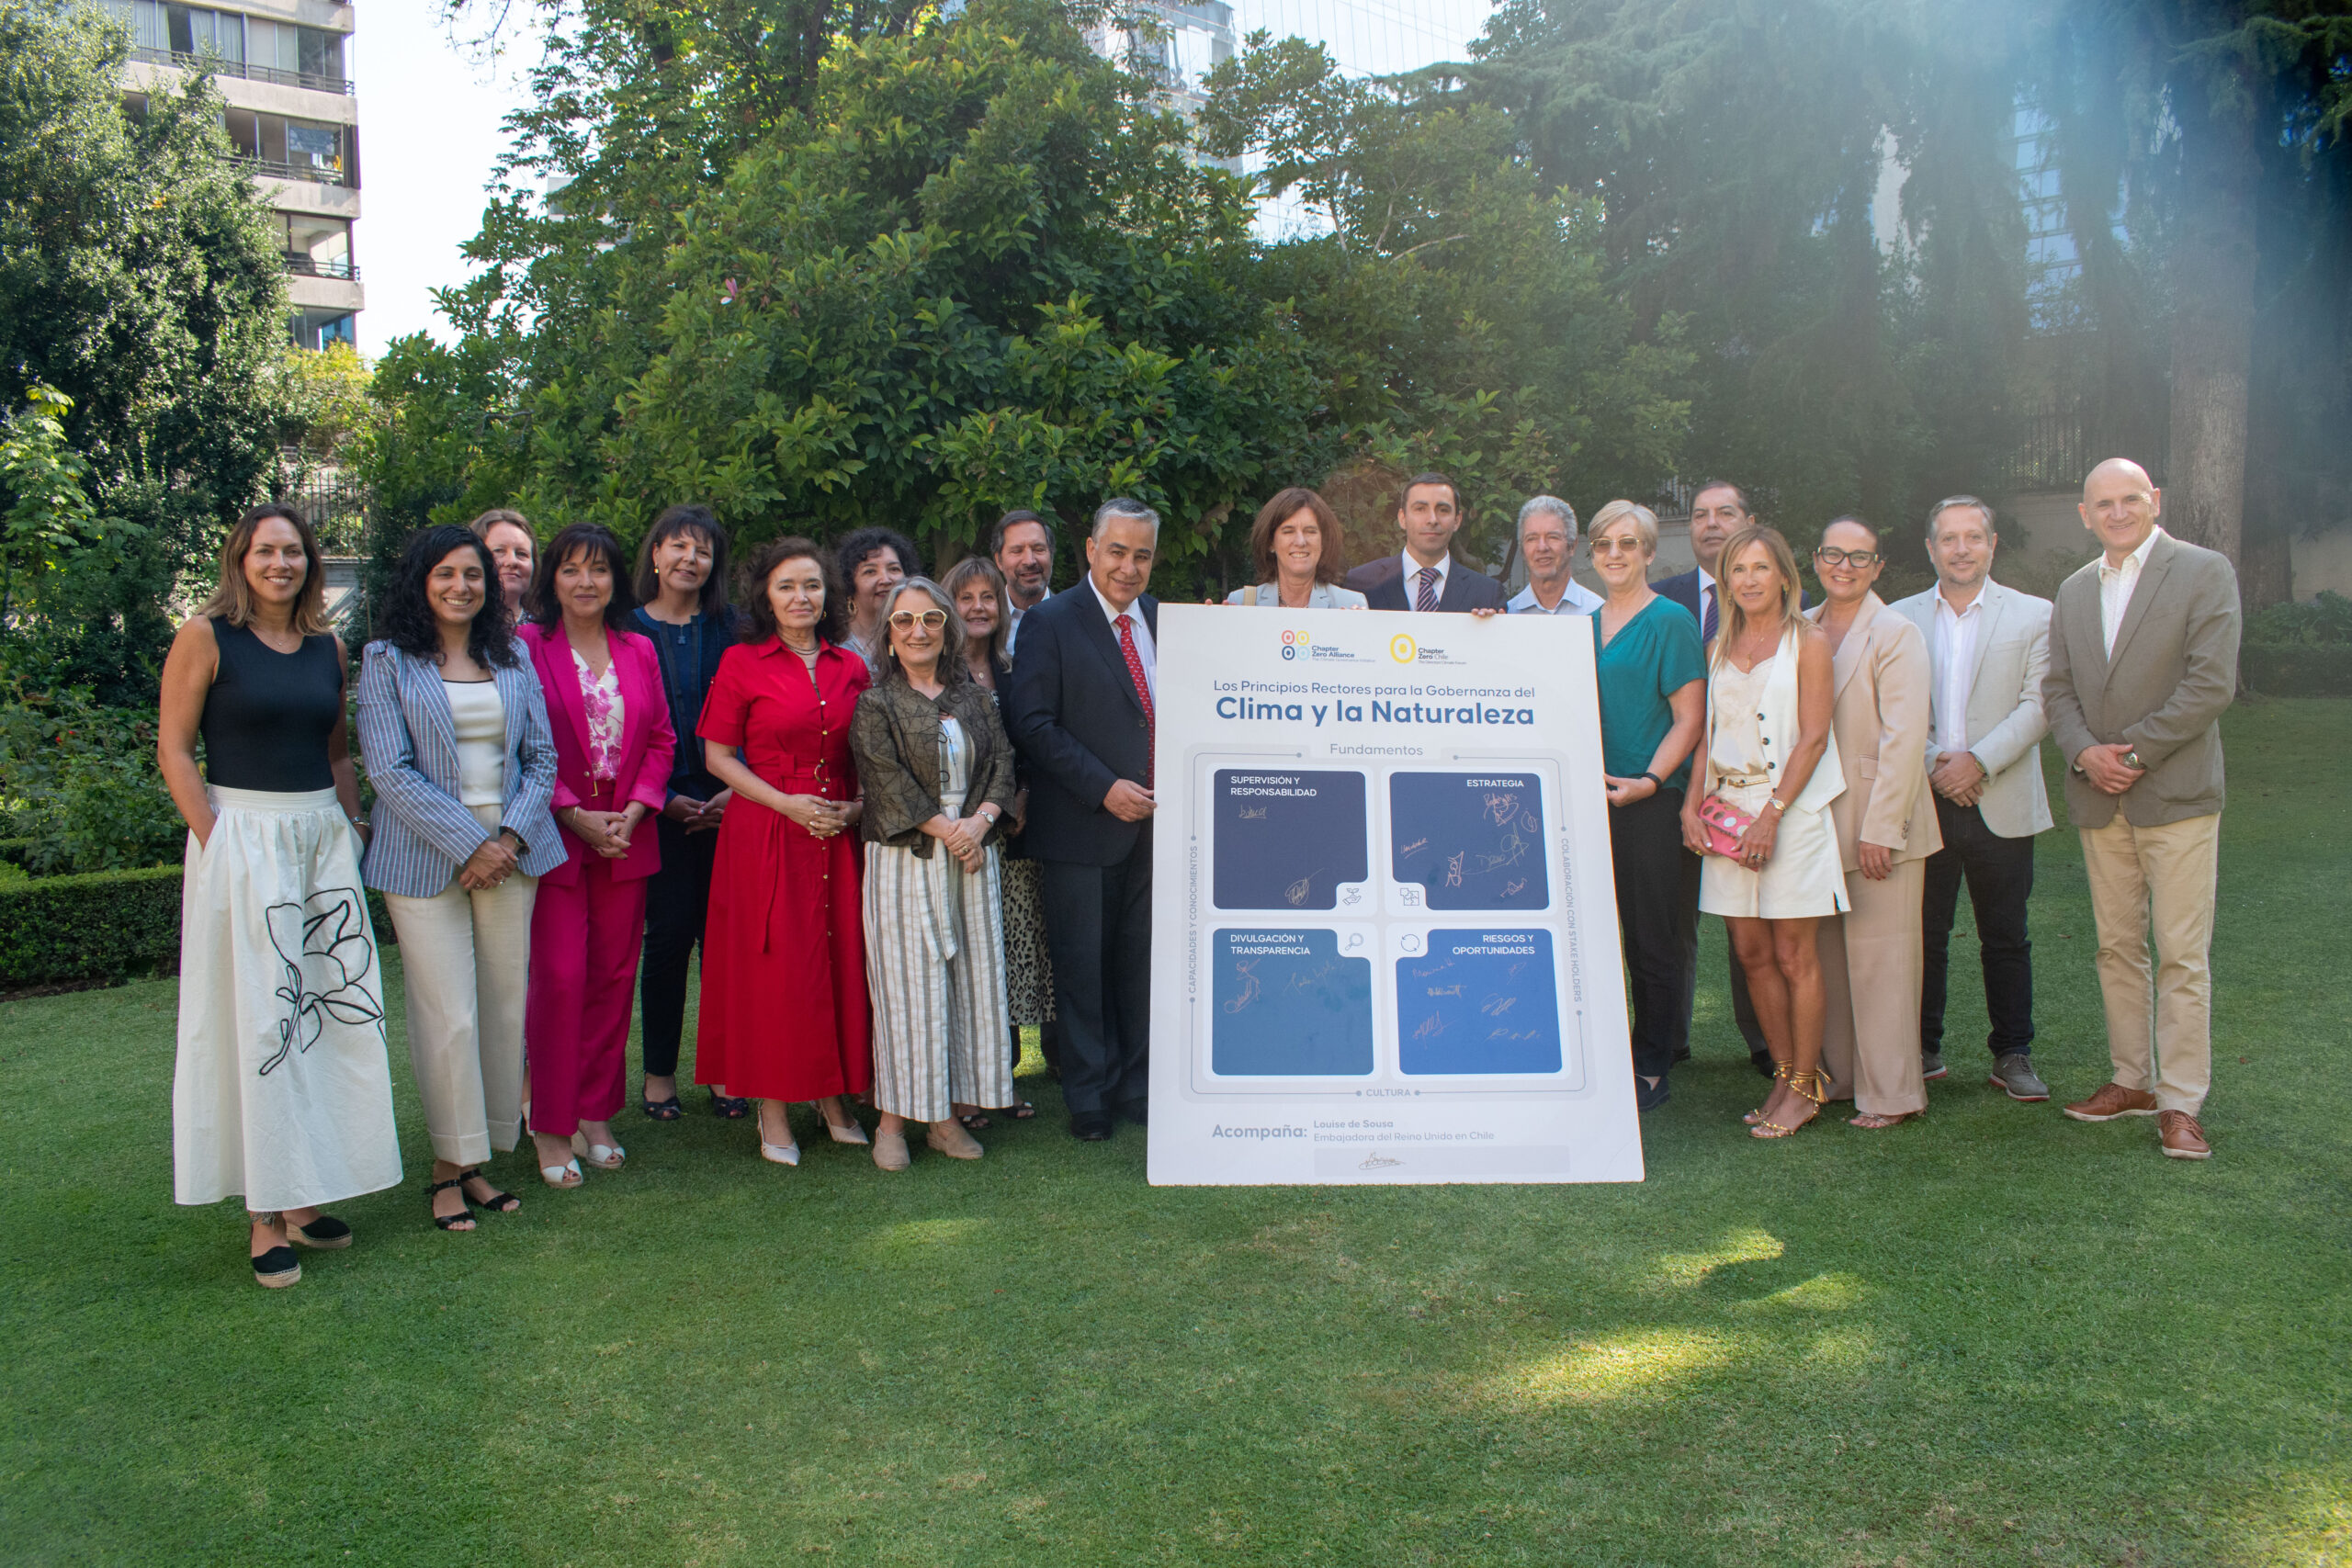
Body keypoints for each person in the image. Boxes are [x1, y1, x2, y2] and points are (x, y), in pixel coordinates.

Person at [156, 503, 400, 1288]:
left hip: (321, 841)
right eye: (265, 551)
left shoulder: (329, 647)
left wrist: (352, 827)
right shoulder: (205, 638)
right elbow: (174, 750)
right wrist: (216, 840)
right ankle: (264, 1211)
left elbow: (337, 754)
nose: (280, 563)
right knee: (262, 1019)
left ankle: (302, 1195)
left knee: (329, 1014)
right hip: (244, 842)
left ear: (309, 563)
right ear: (240, 559)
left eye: (293, 551)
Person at [356, 525, 565, 1229]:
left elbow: (542, 758)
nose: (461, 585)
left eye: (473, 574)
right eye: (446, 573)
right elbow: (388, 770)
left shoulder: (512, 654)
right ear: (421, 580)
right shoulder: (386, 659)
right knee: (448, 1012)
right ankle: (448, 1167)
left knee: (503, 1007)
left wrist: (506, 838)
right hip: (423, 853)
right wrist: (471, 843)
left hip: (511, 849)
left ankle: (479, 1157)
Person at [2044, 457, 2241, 1160]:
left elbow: (2210, 684)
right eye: (2104, 503)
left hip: (2176, 794)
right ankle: (2132, 1080)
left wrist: (2133, 755)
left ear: (2154, 499)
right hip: (2099, 799)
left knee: (2181, 953)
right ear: (2085, 514)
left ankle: (2180, 1100)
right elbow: (2057, 688)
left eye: (2131, 498)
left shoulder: (2204, 570)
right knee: (2116, 946)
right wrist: (2083, 752)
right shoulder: (2073, 589)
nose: (2119, 511)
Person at [695, 538, 874, 1165]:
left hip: (838, 829)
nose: (802, 597)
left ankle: (832, 1096)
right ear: (765, 597)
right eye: (787, 586)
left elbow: (870, 755)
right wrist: (785, 804)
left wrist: (856, 809)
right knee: (775, 970)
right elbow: (717, 757)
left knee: (837, 961)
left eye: (812, 585)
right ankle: (772, 1107)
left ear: (830, 595)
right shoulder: (741, 662)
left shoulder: (850, 667)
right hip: (768, 830)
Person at [515, 524, 675, 1187]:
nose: (586, 581)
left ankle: (595, 1114)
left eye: (600, 569)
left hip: (625, 833)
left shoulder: (639, 647)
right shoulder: (527, 645)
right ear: (551, 578)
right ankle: (552, 1125)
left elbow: (661, 738)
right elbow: (518, 739)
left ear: (616, 579)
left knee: (612, 979)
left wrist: (634, 810)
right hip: (557, 831)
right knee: (560, 980)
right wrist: (572, 814)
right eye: (572, 569)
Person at [850, 578, 1023, 1168]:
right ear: (888, 636)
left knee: (968, 985)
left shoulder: (974, 697)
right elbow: (886, 781)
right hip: (908, 857)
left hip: (972, 853)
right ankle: (892, 1125)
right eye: (904, 621)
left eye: (930, 619)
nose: (917, 631)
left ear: (948, 629)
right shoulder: (876, 705)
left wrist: (980, 823)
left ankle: (945, 1119)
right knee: (908, 991)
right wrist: (950, 831)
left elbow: (1003, 763)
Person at [1681, 525, 1846, 1139]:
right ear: (1725, 581)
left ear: (1783, 575)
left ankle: (1806, 1085)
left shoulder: (1811, 642)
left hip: (1789, 811)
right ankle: (1783, 1076)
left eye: (1759, 567)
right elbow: (1705, 736)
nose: (1748, 579)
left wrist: (1771, 815)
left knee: (1793, 954)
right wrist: (1691, 806)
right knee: (1750, 953)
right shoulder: (1717, 646)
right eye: (1737, 569)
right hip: (1726, 812)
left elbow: (1814, 737)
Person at [1006, 498, 1163, 1141]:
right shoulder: (1050, 621)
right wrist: (1103, 789)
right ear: (1092, 550)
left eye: (1142, 555)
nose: (1129, 567)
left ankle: (1138, 1086)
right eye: (1117, 551)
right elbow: (1032, 723)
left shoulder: (1164, 619)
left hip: (1156, 827)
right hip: (1081, 823)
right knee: (1083, 967)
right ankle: (1090, 1095)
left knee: (1140, 963)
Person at [1888, 496, 2053, 1101]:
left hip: (2000, 796)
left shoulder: (2035, 615)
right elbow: (1889, 707)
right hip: (1925, 796)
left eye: (1973, 537)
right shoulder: (1899, 617)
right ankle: (1921, 1048)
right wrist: (1938, 762)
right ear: (1930, 549)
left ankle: (2013, 1052)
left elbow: (2040, 704)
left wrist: (1978, 761)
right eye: (1949, 538)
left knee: (2007, 935)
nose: (1961, 549)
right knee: (1922, 933)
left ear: (1992, 544)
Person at [1804, 517, 1939, 1130]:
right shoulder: (1801, 626)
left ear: (1878, 567)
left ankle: (1892, 1093)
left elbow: (1905, 739)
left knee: (1883, 962)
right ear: (1816, 559)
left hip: (1880, 820)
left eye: (1860, 557)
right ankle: (1843, 1078)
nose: (1845, 566)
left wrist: (1883, 827)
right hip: (1816, 821)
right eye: (1834, 554)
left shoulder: (1896, 632)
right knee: (1830, 960)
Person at [1657, 479, 1781, 1074]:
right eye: (1699, 514)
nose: (1710, 523)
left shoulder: (1786, 614)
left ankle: (1765, 1042)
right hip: (1671, 784)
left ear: (1748, 522)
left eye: (1724, 513)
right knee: (1674, 918)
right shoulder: (1663, 599)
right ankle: (1670, 1036)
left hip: (1748, 793)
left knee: (1750, 922)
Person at [1585, 501, 1706, 1110]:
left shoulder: (1671, 621)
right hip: (1588, 803)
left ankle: (1653, 1063)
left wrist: (1652, 781)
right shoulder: (1582, 625)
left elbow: (1690, 719)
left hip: (1649, 801)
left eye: (1628, 543)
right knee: (1597, 938)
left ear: (1650, 552)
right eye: (1604, 544)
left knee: (1651, 938)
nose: (1615, 554)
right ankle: (1609, 1056)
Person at [628, 504, 745, 1121]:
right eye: (678, 546)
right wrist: (662, 797)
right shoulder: (626, 629)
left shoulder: (735, 628)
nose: (689, 559)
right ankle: (658, 1075)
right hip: (656, 810)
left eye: (702, 549)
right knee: (669, 940)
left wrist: (735, 789)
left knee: (724, 945)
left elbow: (754, 712)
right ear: (656, 553)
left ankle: (725, 1072)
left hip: (732, 804)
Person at [945, 555, 1053, 1109]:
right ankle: (973, 1079)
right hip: (960, 836)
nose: (978, 607)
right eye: (965, 598)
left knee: (1013, 950)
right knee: (971, 953)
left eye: (988, 597)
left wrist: (1023, 795)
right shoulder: (937, 674)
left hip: (1017, 836)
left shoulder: (1015, 669)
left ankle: (1003, 1071)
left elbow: (1032, 740)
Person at [1343, 472, 1510, 612]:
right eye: (1420, 509)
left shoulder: (1487, 595)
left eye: (1443, 510)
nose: (1432, 519)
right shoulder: (1359, 583)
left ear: (1457, 520)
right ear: (1402, 518)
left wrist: (1492, 629)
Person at [1224, 488, 1368, 607]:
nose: (1300, 542)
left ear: (1323, 541)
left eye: (1310, 531)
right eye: (1288, 531)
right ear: (1270, 542)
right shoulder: (1241, 603)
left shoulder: (1350, 605)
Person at [836, 526, 921, 674]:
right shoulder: (835, 646)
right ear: (849, 583)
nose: (886, 580)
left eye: (894, 569)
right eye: (870, 571)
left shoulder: (921, 636)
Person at [1508, 496, 1604, 615]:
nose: (1542, 547)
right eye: (1532, 539)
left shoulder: (1597, 612)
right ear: (1522, 549)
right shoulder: (1508, 613)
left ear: (1572, 546)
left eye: (1553, 537)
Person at [992, 510, 1057, 655]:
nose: (1029, 561)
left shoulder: (1074, 621)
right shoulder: (984, 624)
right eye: (1017, 551)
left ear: (1051, 556)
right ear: (999, 560)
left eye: (1038, 549)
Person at [472, 508, 537, 619]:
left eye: (521, 553)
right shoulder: (458, 626)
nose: (512, 561)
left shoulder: (549, 628)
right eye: (499, 551)